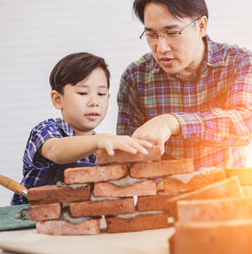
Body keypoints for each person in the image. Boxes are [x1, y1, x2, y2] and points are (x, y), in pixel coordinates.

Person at [117, 0, 252, 170]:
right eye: (152, 35)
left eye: (172, 33)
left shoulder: (238, 62)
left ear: (201, 26)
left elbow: (244, 124)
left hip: (226, 191)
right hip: (161, 195)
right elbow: (129, 162)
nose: (161, 48)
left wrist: (173, 122)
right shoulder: (135, 77)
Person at [12, 52, 151, 205]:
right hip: (29, 220)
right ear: (58, 99)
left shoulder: (102, 149)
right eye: (83, 93)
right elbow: (56, 150)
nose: (94, 102)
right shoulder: (47, 129)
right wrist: (98, 140)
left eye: (101, 94)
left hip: (75, 222)